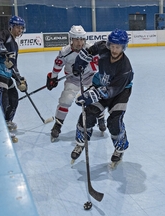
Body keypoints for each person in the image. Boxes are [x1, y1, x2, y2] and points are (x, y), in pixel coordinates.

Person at [70, 29, 133, 165]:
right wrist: (79, 63)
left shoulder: (125, 68)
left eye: (118, 47)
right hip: (102, 83)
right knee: (88, 114)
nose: (114, 50)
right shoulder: (103, 47)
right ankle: (81, 142)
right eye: (113, 46)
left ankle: (120, 147)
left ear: (123, 47)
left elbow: (111, 91)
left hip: (120, 93)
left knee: (114, 122)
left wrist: (90, 95)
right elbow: (89, 51)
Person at [46, 25, 106, 142]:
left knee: (96, 99)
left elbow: (99, 64)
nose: (80, 43)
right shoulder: (65, 52)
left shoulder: (91, 49)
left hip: (90, 78)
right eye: (76, 39)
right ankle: (57, 125)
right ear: (71, 39)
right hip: (73, 79)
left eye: (82, 39)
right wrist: (53, 77)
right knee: (65, 100)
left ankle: (101, 118)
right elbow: (58, 64)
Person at [0, 16, 27, 133]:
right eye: (17, 27)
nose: (19, 30)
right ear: (11, 27)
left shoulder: (15, 45)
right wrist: (5, 53)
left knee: (13, 96)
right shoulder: (6, 35)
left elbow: (13, 65)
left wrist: (19, 79)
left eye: (21, 28)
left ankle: (6, 121)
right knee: (2, 99)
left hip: (6, 74)